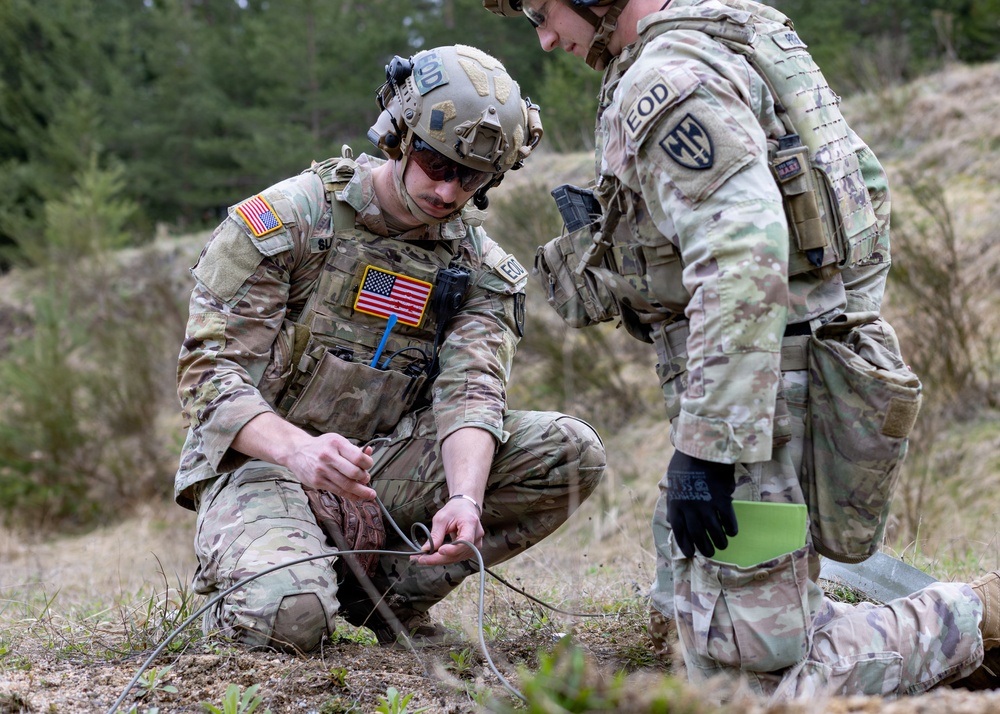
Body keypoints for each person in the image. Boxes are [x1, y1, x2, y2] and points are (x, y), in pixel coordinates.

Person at [481, 0, 1000, 698]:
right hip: (780, 370)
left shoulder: (665, 77)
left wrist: (711, 446)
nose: (546, 38)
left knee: (748, 686)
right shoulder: (742, 29)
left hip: (760, 401)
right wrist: (840, 329)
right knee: (691, 629)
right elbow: (864, 189)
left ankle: (977, 615)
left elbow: (743, 251)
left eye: (544, 12)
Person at [173, 43, 607, 653]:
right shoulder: (292, 222)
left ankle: (387, 600)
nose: (450, 190)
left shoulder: (480, 269)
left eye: (472, 177)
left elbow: (471, 393)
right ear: (398, 138)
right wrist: (300, 453)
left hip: (382, 470)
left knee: (569, 452)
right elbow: (208, 377)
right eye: (436, 163)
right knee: (292, 620)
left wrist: (463, 498)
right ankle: (264, 584)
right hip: (264, 463)